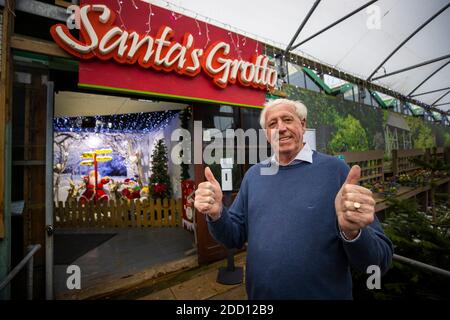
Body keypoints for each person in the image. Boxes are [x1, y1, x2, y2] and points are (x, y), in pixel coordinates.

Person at [194, 98, 393, 299]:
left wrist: (352, 232)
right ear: (266, 134)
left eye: (287, 120)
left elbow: (376, 263)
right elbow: (232, 237)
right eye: (272, 124)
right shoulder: (254, 176)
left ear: (303, 124)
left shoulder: (336, 172)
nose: (281, 128)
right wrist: (217, 213)